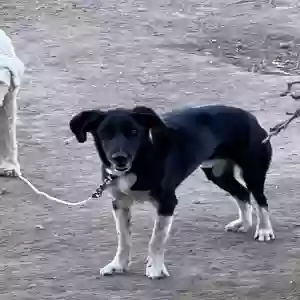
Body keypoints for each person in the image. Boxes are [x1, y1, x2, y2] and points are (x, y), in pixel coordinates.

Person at [0, 29, 25, 177]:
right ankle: (9, 163)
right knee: (7, 119)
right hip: (9, 70)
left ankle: (9, 163)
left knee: (7, 119)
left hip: (4, 72)